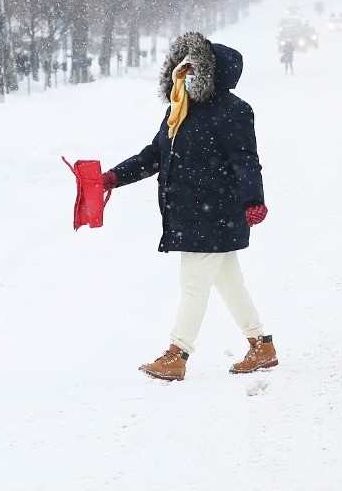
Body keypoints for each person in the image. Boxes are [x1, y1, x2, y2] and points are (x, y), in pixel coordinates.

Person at [103, 32, 276, 381]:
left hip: (216, 214)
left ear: (214, 72)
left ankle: (177, 354)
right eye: (184, 66)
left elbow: (246, 160)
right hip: (190, 212)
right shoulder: (179, 108)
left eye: (195, 67)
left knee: (193, 284)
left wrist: (254, 200)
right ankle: (261, 346)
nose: (186, 72)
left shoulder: (234, 111)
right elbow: (154, 155)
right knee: (229, 283)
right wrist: (114, 177)